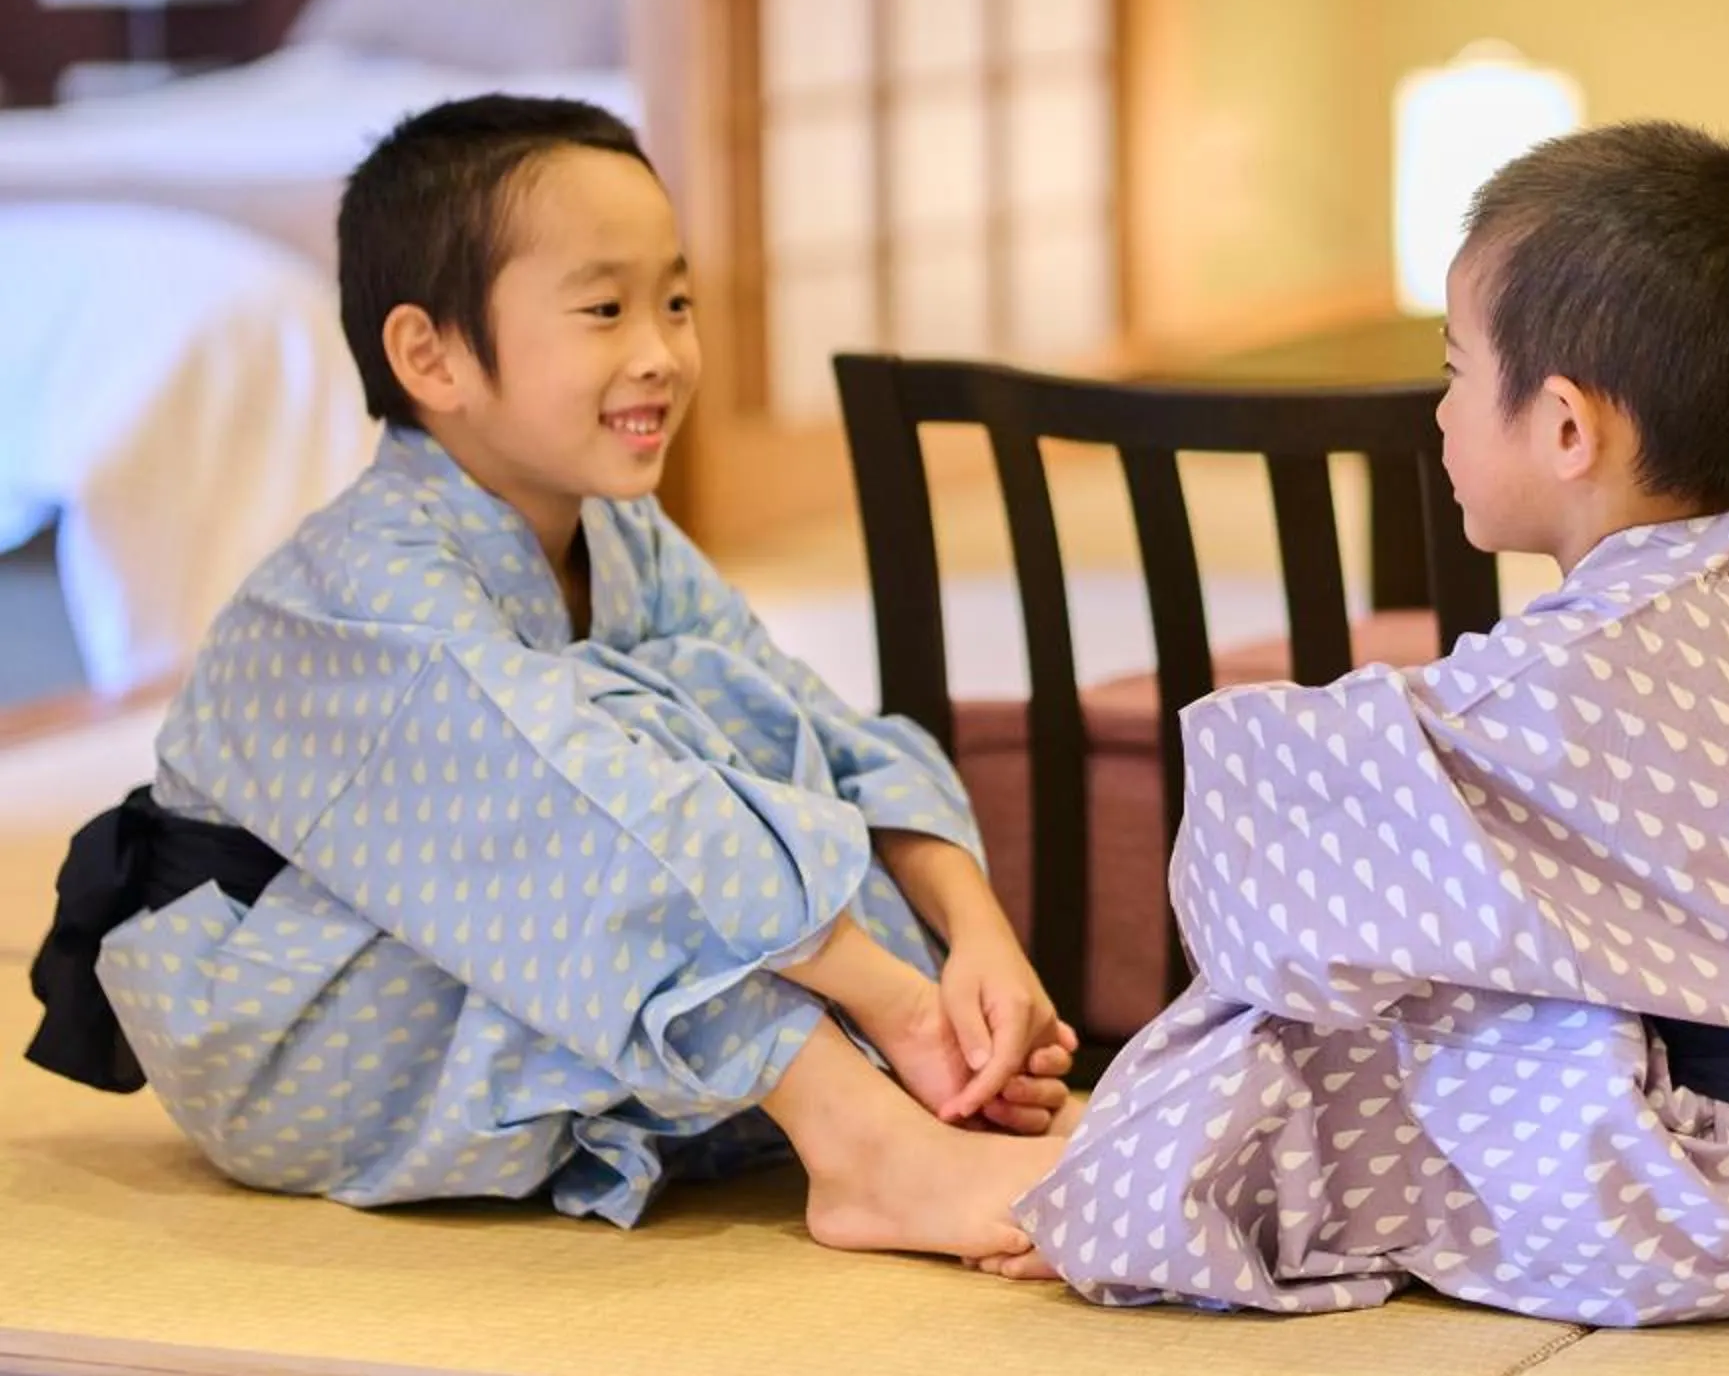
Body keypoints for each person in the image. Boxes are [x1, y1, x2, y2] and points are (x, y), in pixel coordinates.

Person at [985, 121, 1729, 1327]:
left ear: (1568, 428)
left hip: (1714, 1204)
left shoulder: (1571, 675)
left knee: (1293, 1036)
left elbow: (1279, 895)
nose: (1442, 414)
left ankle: (1086, 1192)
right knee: (1417, 958)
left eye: (1457, 372)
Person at [29, 95, 1074, 1266]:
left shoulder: (618, 534)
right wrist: (894, 1000)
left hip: (471, 931)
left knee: (742, 745)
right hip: (287, 1011)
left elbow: (819, 731)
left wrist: (972, 937)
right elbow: (593, 826)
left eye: (675, 302)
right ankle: (872, 1148)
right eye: (604, 310)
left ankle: (931, 1103)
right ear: (430, 355)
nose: (662, 353)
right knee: (628, 801)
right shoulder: (362, 588)